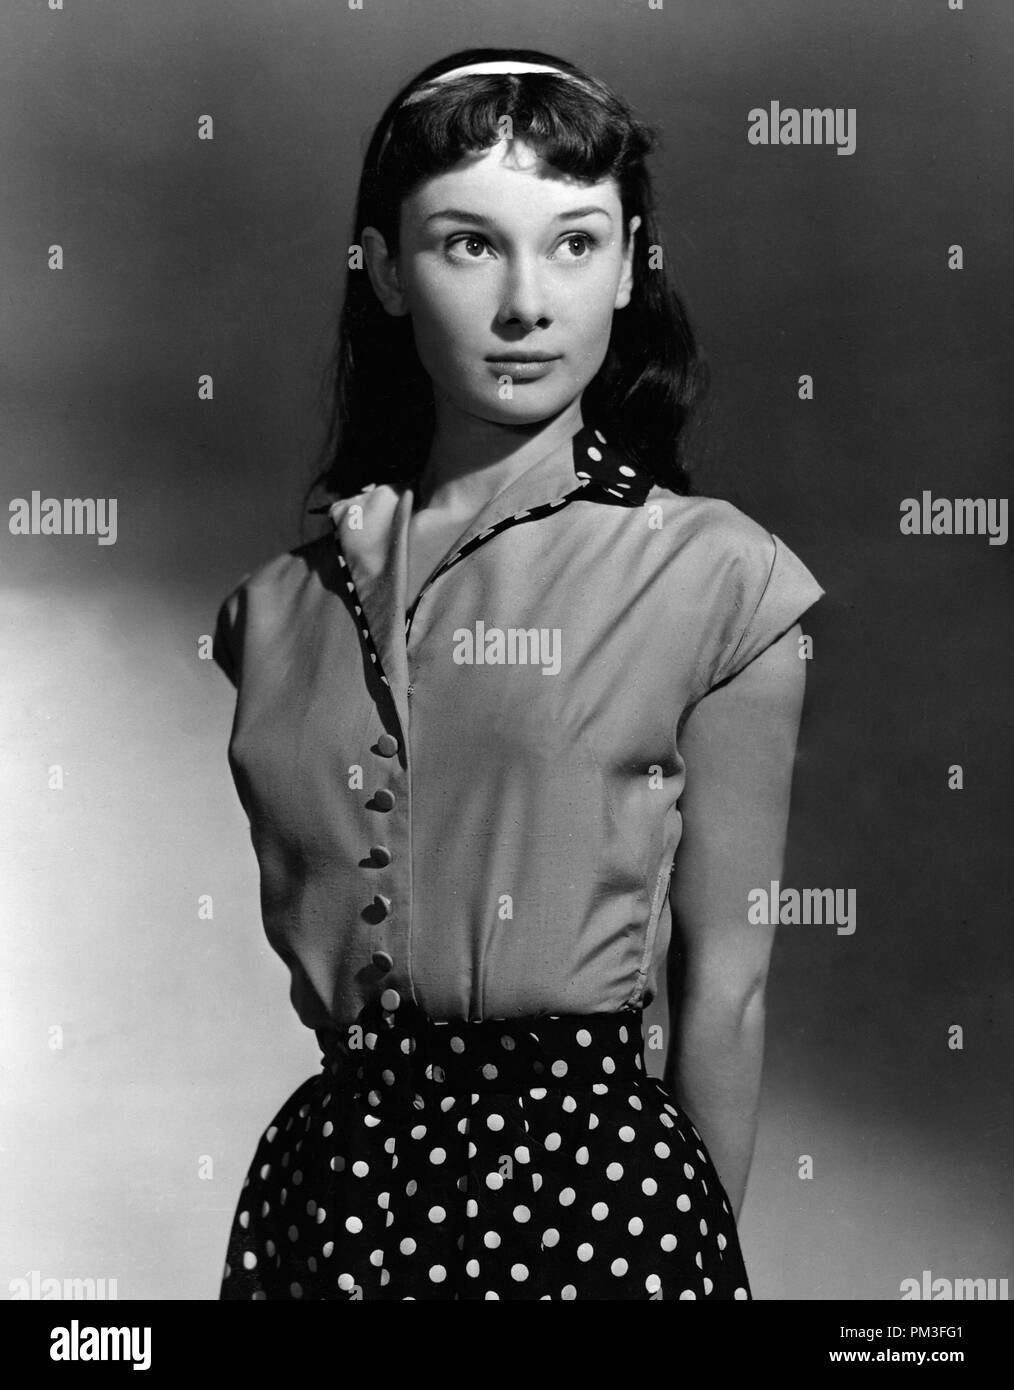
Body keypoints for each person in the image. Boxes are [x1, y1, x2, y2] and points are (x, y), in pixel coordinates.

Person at [212, 46, 825, 1301]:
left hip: (597, 1200)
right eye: (469, 244)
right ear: (385, 269)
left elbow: (728, 987)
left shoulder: (718, 579)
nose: (527, 306)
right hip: (329, 1202)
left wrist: (694, 1264)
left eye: (577, 243)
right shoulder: (275, 609)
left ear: (627, 269)